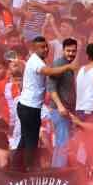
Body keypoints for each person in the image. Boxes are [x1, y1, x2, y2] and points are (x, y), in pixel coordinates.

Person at [15, 34, 79, 169]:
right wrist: (67, 68)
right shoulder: (37, 62)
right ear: (34, 49)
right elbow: (49, 74)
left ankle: (16, 168)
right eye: (41, 47)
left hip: (30, 106)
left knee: (26, 139)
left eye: (46, 47)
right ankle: (30, 170)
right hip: (30, 107)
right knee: (32, 140)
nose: (45, 49)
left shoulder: (37, 60)